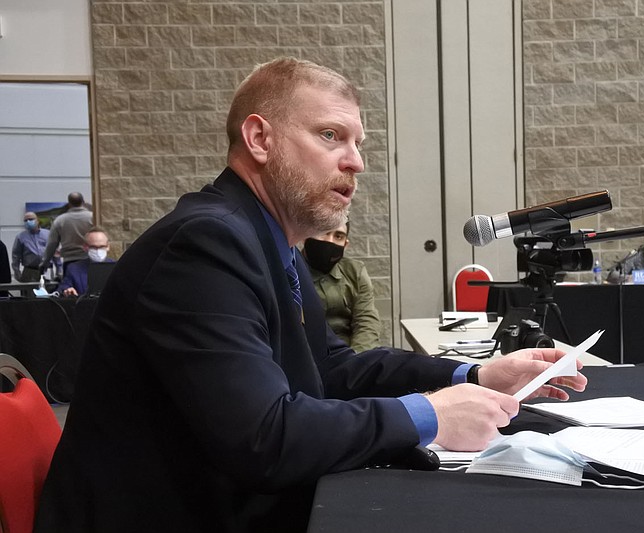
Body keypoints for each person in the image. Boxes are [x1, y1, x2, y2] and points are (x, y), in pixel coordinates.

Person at [35, 58, 587, 533]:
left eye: (358, 143)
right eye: (330, 136)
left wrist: (470, 378)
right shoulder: (206, 243)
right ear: (260, 140)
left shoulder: (268, 238)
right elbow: (264, 438)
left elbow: (328, 368)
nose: (357, 162)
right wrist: (427, 415)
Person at [303, 221, 382, 352]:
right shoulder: (290, 271)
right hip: (307, 357)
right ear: (306, 236)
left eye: (338, 236)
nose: (330, 241)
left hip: (350, 353)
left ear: (345, 245)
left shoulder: (355, 272)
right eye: (323, 232)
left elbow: (366, 322)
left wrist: (356, 362)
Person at [40, 192, 93, 277]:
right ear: (83, 202)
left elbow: (52, 244)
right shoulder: (93, 218)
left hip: (70, 261)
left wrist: (44, 263)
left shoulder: (60, 220)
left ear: (69, 204)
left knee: (70, 288)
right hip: (90, 260)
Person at [55, 227, 114, 297]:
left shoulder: (117, 268)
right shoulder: (74, 269)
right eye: (93, 247)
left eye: (102, 247)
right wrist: (67, 290)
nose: (98, 250)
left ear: (108, 247)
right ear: (85, 247)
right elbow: (63, 288)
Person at [11, 212, 56, 282]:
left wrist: (59, 271)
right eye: (25, 220)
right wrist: (17, 274)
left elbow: (55, 252)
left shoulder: (48, 234)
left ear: (37, 220)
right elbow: (16, 257)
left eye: (31, 219)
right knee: (29, 292)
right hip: (29, 271)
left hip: (47, 271)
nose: (28, 222)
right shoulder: (21, 237)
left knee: (49, 291)